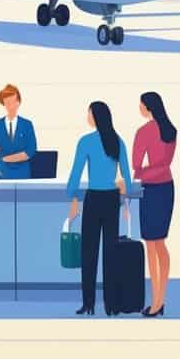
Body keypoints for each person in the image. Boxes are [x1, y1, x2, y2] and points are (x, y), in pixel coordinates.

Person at [66, 101, 132, 316]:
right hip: (112, 199)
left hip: (94, 198)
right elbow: (127, 178)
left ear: (94, 116)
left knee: (89, 253)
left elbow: (76, 173)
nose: (87, 116)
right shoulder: (117, 140)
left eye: (89, 112)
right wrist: (125, 199)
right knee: (110, 253)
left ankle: (88, 303)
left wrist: (73, 198)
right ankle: (111, 305)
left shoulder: (85, 141)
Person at [133, 91, 177, 317]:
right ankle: (160, 298)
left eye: (140, 105)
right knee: (160, 243)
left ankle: (157, 301)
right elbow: (165, 163)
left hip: (150, 189)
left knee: (152, 244)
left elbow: (136, 164)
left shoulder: (144, 132)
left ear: (147, 107)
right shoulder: (170, 129)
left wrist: (142, 173)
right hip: (167, 188)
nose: (139, 108)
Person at [0, 84, 37, 179]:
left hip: (23, 173)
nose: (9, 105)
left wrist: (5, 158)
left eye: (12, 101)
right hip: (2, 173)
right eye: (6, 102)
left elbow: (31, 150)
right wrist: (3, 166)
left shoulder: (27, 125)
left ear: (18, 102)